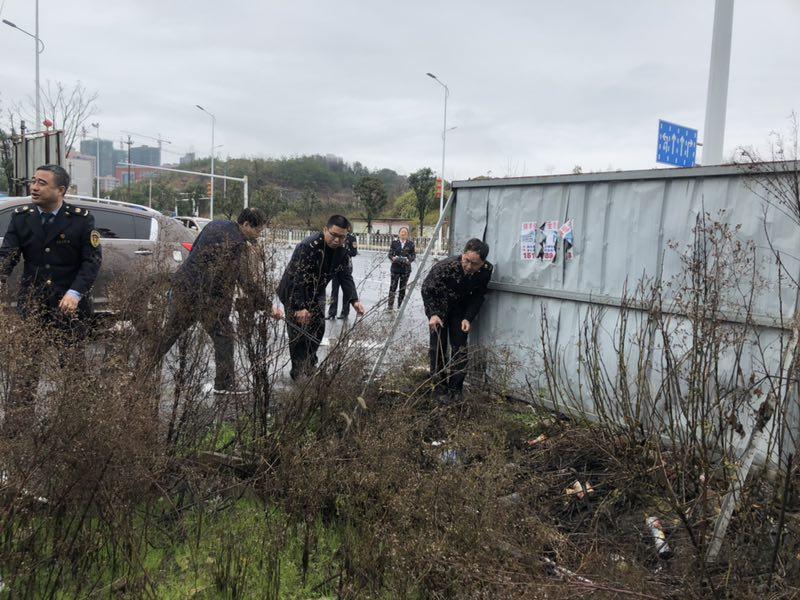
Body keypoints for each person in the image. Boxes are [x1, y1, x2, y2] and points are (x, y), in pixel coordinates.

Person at [0, 164, 102, 428]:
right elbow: (7, 256)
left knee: (72, 367)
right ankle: (17, 426)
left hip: (68, 306)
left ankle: (75, 424)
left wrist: (75, 293)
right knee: (26, 367)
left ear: (60, 190)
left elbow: (91, 262)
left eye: (42, 183)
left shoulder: (80, 219)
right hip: (32, 304)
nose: (34, 187)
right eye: (34, 181)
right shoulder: (22, 217)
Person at [148, 207, 282, 395]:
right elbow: (244, 280)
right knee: (224, 336)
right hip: (206, 298)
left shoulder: (216, 224)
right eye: (257, 230)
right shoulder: (236, 243)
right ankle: (224, 385)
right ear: (246, 224)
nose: (258, 235)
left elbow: (195, 251)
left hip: (185, 288)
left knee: (170, 333)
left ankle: (141, 369)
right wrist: (268, 306)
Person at [278, 215, 366, 380]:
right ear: (325, 229)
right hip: (293, 291)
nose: (336, 240)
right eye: (333, 235)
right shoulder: (308, 246)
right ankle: (297, 371)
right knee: (298, 333)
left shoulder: (343, 250)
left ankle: (310, 364)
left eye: (342, 237)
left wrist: (354, 300)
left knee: (318, 328)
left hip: (316, 292)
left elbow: (345, 276)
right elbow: (296, 278)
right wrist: (299, 307)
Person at [421, 238, 493, 402]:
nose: (468, 266)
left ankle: (455, 390)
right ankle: (438, 387)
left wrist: (468, 317)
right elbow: (426, 288)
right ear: (463, 254)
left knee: (460, 348)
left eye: (474, 264)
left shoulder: (486, 271)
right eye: (466, 260)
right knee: (437, 346)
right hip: (439, 308)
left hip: (460, 309)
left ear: (482, 263)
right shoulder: (447, 266)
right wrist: (432, 314)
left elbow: (478, 296)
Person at [327, 228, 358, 319]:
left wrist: (343, 251)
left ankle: (345, 312)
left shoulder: (351, 238)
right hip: (335, 266)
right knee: (334, 290)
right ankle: (332, 313)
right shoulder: (336, 237)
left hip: (346, 266)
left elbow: (354, 252)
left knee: (346, 290)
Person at [387, 226, 415, 309]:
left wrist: (408, 260)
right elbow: (390, 254)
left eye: (405, 232)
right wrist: (393, 258)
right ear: (399, 234)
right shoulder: (394, 243)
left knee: (402, 289)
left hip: (405, 270)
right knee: (393, 287)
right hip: (395, 269)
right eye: (402, 232)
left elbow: (413, 255)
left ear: (407, 235)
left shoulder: (411, 244)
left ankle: (400, 306)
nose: (403, 234)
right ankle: (390, 305)